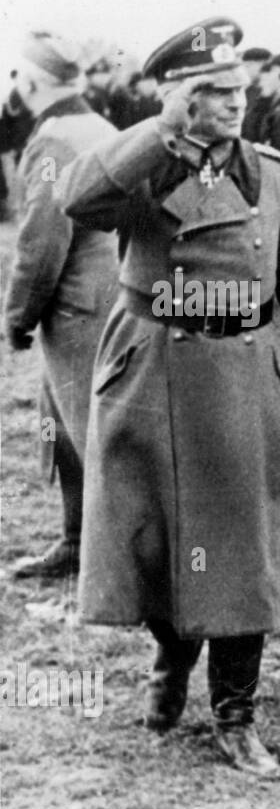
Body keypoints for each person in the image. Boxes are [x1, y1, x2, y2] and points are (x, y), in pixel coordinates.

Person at [56, 16, 280, 780]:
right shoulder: (144, 167)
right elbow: (75, 199)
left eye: (239, 90)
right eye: (214, 92)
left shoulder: (273, 174)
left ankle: (236, 714)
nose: (233, 104)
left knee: (242, 551)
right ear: (180, 98)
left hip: (245, 377)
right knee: (153, 535)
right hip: (152, 370)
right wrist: (157, 131)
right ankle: (169, 660)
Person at [4, 31, 118, 582]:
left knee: (84, 429)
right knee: (72, 427)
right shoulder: (100, 126)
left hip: (79, 308)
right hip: (115, 299)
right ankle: (79, 541)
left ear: (31, 82)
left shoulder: (53, 140)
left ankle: (101, 551)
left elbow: (43, 240)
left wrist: (18, 316)